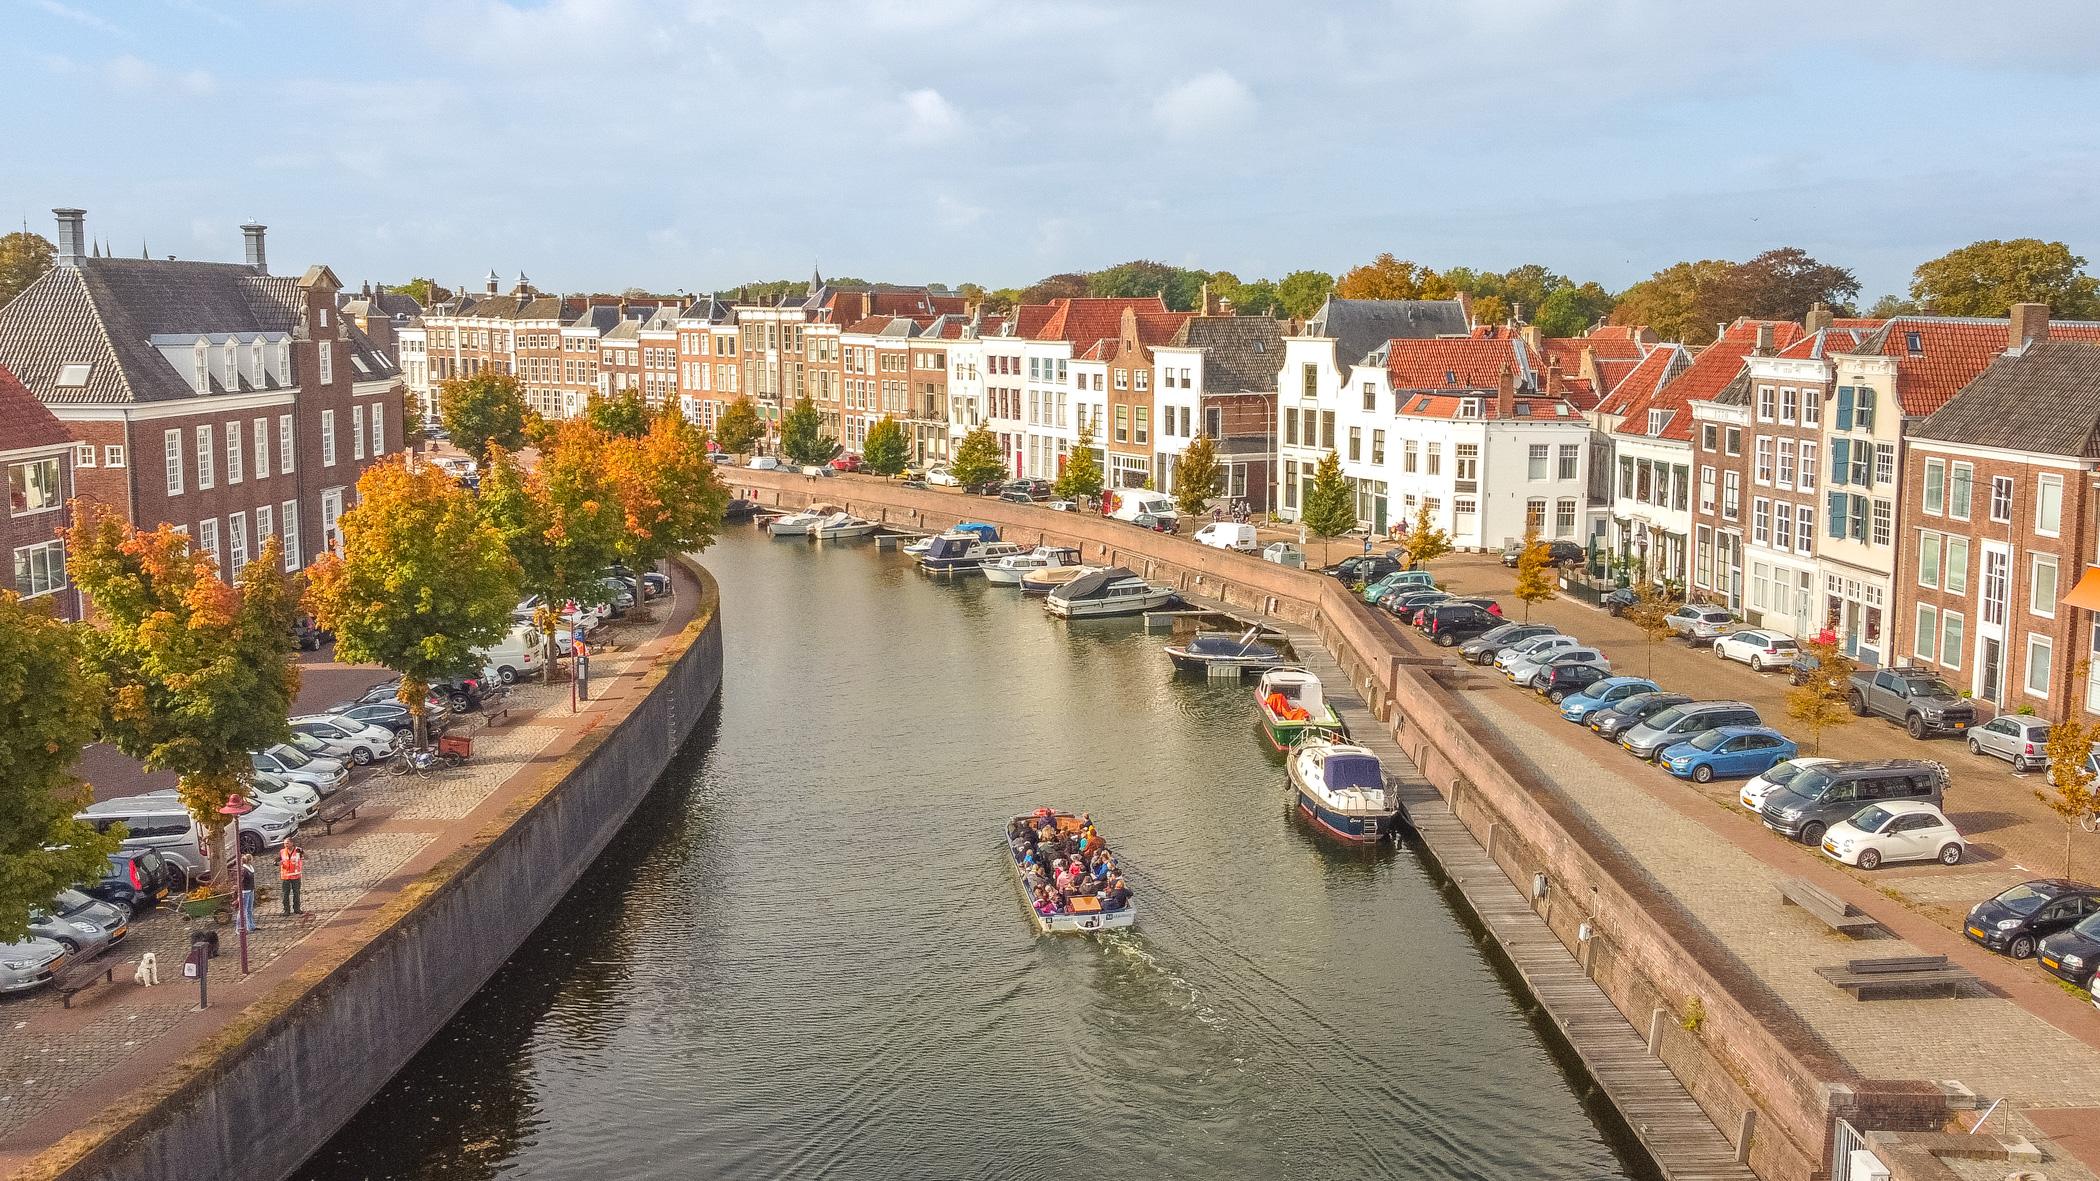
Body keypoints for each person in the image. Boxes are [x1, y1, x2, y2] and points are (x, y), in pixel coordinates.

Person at [278, 840, 304, 916]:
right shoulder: (282, 851)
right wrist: (277, 863)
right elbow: (276, 860)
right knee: (285, 894)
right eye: (285, 843)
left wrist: (301, 852)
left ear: (292, 843)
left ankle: (297, 909)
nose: (285, 845)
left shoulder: (298, 850)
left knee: (296, 893)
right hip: (285, 876)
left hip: (296, 876)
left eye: (287, 843)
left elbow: (304, 857)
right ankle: (286, 910)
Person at [238, 854, 257, 933]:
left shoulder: (250, 868)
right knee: (243, 910)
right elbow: (241, 881)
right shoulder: (244, 869)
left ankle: (251, 926)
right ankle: (239, 928)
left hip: (251, 889)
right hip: (245, 891)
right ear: (249, 860)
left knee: (249, 909)